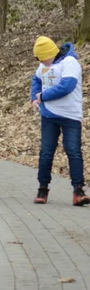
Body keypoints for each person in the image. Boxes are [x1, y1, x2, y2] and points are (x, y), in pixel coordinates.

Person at [30, 36, 89, 206]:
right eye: (39, 59)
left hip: (70, 115)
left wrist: (43, 96)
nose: (41, 62)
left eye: (42, 57)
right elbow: (36, 80)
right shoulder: (43, 66)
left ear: (51, 53)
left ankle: (78, 190)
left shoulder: (70, 62)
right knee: (46, 152)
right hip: (49, 115)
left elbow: (67, 86)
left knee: (73, 151)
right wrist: (35, 96)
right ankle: (42, 188)